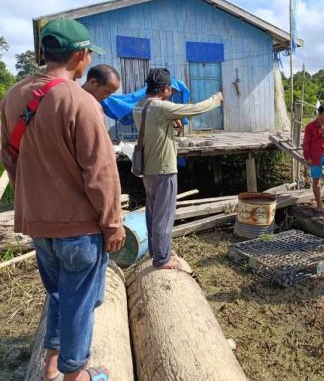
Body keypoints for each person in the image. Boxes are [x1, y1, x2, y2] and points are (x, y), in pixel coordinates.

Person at [0, 19, 125, 381]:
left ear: (43, 54)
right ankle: (75, 375)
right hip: (81, 229)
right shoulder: (80, 102)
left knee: (58, 296)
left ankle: (51, 367)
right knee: (80, 304)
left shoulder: (12, 97)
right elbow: (100, 173)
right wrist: (113, 223)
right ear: (81, 56)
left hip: (40, 226)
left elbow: (10, 158)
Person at [132, 68, 223, 271]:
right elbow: (195, 108)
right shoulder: (162, 107)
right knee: (164, 215)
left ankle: (156, 251)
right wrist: (215, 99)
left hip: (147, 169)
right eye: (170, 90)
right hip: (164, 169)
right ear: (164, 89)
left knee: (152, 212)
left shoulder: (139, 106)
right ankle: (162, 259)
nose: (171, 93)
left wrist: (171, 123)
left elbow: (153, 129)